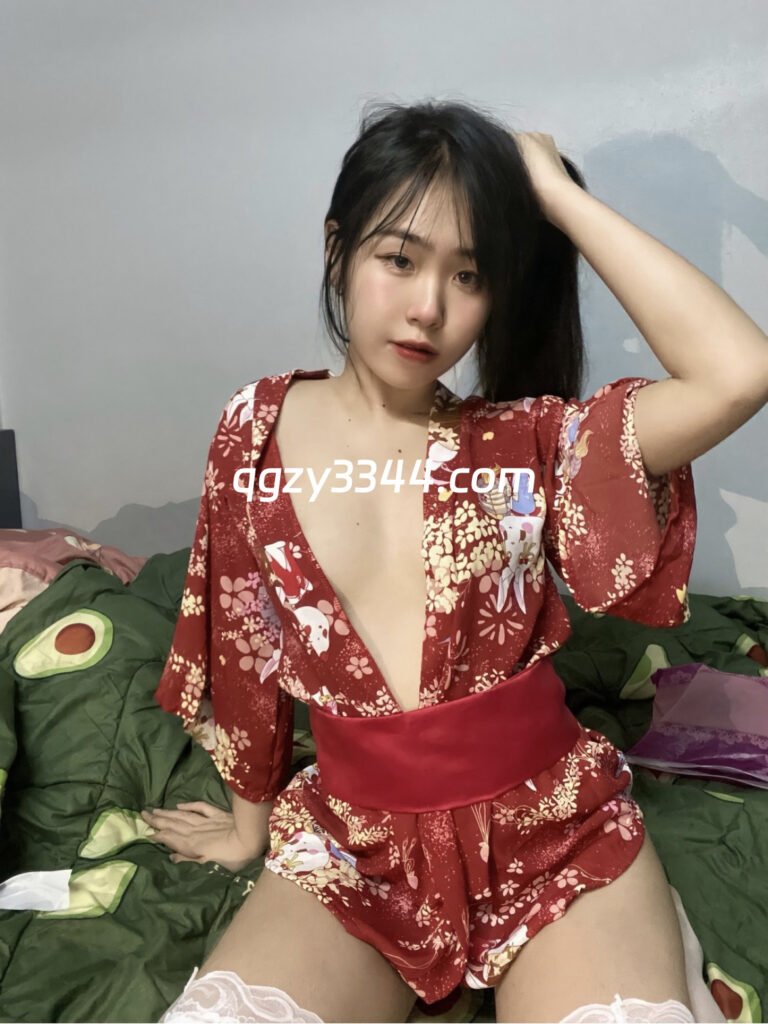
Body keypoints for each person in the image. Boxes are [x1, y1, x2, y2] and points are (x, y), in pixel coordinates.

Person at [146, 99, 766, 1023]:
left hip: (552, 828)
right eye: (399, 259)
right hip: (353, 845)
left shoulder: (527, 444)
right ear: (337, 250)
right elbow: (241, 636)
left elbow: (738, 372)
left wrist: (554, 194)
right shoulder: (254, 428)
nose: (428, 307)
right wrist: (249, 830)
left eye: (469, 275)